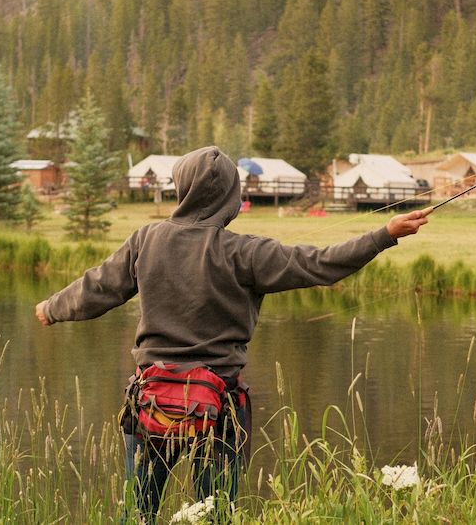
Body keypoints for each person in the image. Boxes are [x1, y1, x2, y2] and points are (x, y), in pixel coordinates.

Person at [34, 146, 429, 521]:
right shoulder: (246, 253)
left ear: (182, 189)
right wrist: (385, 234)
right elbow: (322, 264)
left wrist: (51, 308)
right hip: (220, 404)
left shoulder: (145, 240)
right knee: (216, 515)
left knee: (138, 514)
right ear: (229, 197)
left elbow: (97, 288)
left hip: (151, 402)